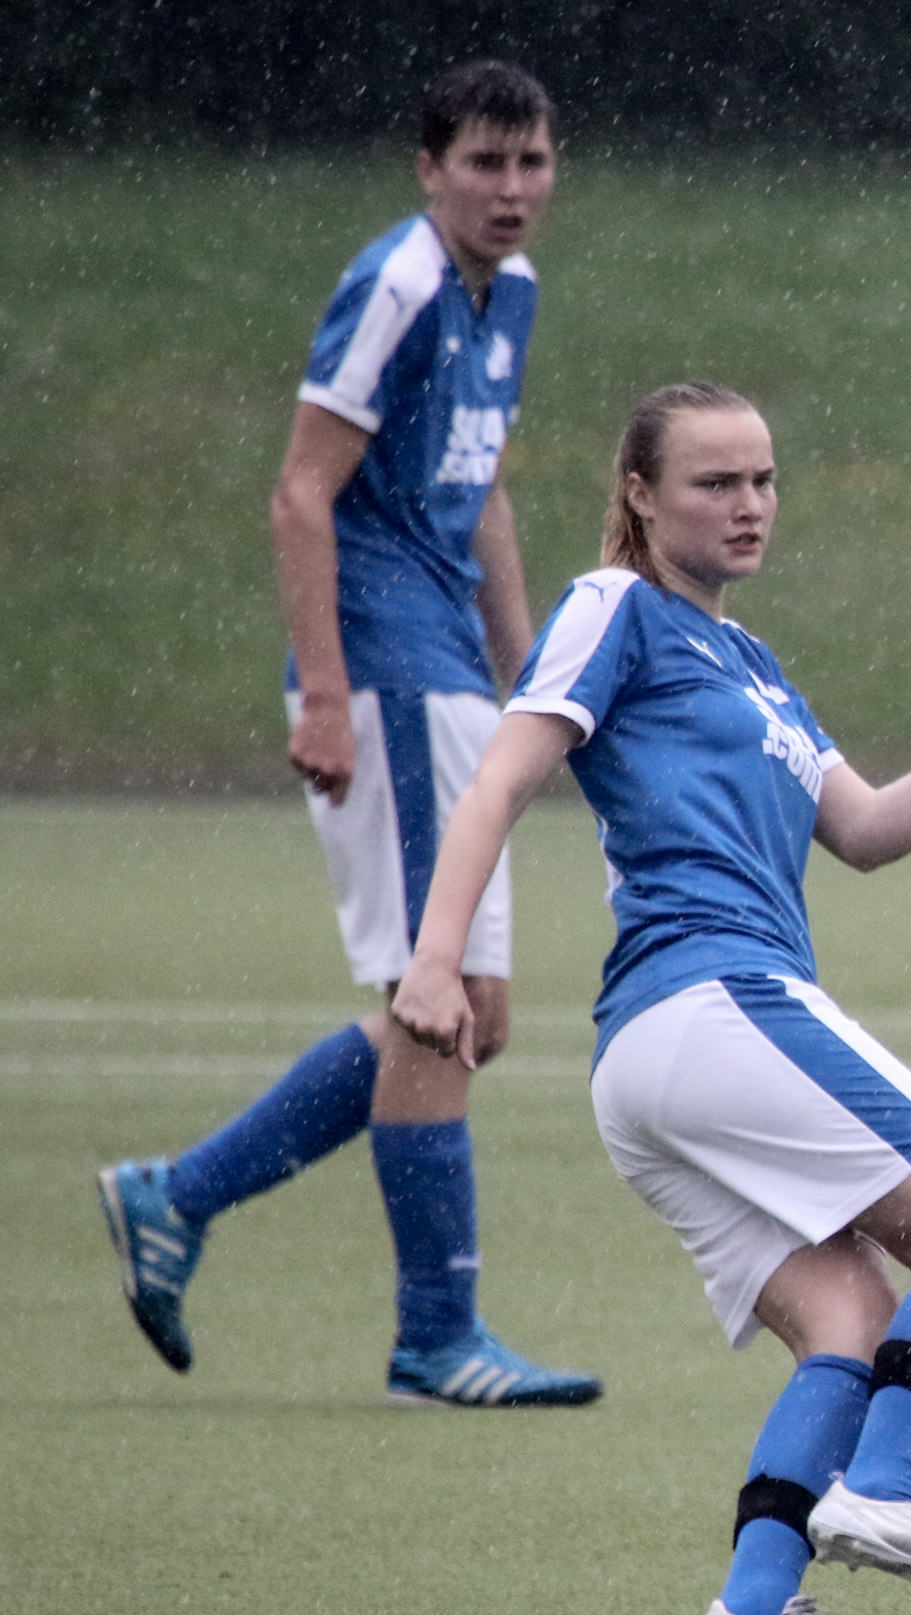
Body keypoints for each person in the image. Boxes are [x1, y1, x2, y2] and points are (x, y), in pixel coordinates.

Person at [390, 381, 911, 1615]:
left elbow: (863, 829)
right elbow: (499, 779)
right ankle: (882, 1488)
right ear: (639, 493)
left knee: (851, 1320)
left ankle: (757, 1606)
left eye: (763, 479)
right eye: (714, 482)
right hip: (710, 998)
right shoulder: (614, 607)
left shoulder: (754, 663)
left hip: (668, 1052)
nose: (749, 503)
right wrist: (435, 959)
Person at [94, 59, 600, 1408]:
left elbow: (481, 492)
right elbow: (299, 495)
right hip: (382, 674)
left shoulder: (512, 291)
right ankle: (437, 1336)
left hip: (447, 670)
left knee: (475, 1013)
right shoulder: (399, 286)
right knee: (435, 1006)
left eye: (532, 161)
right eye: (483, 162)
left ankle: (176, 1195)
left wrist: (533, 673)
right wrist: (324, 693)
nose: (510, 188)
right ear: (428, 170)